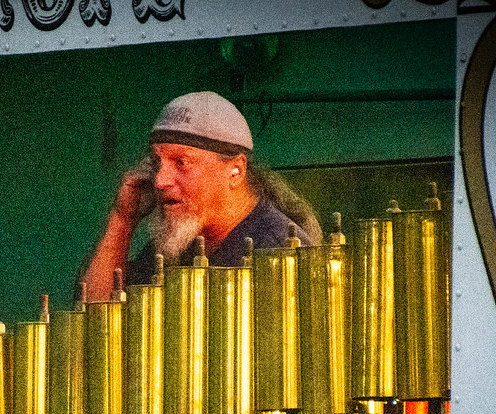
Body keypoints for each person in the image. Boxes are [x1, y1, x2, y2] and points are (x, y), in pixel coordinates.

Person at [83, 91, 322, 300]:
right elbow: (99, 320)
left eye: (181, 162)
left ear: (236, 170)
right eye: (157, 162)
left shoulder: (281, 251)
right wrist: (123, 218)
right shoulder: (177, 243)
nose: (159, 180)